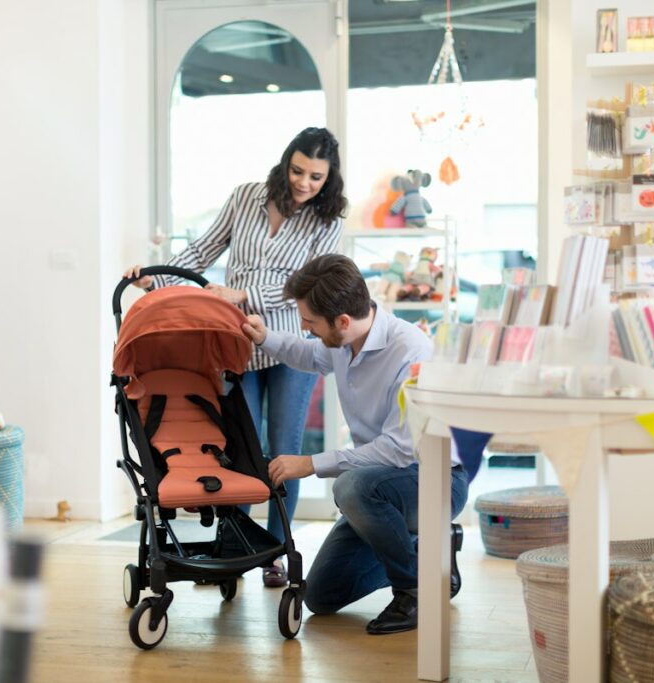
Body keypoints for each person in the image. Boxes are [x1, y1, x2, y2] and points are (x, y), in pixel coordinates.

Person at [124, 127, 346, 588]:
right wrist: (157, 279)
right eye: (299, 171)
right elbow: (204, 249)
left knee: (283, 451)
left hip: (287, 346)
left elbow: (309, 289)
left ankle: (274, 553)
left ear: (329, 178)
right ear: (287, 164)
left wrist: (244, 292)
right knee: (235, 446)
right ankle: (234, 545)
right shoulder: (247, 197)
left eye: (317, 177)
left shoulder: (329, 222)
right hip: (234, 343)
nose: (305, 183)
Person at [240, 254, 469, 635]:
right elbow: (309, 354)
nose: (305, 328)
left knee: (350, 486)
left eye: (310, 323)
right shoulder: (342, 340)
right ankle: (432, 555)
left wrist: (310, 463)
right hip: (380, 486)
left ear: (342, 322)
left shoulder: (411, 351)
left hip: (436, 480)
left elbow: (397, 450)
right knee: (322, 597)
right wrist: (265, 338)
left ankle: (414, 591)